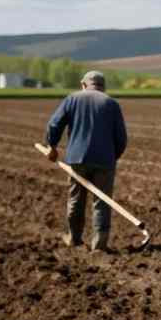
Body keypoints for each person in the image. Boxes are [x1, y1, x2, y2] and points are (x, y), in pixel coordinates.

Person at [44, 69, 128, 252]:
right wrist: (113, 157)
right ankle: (99, 245)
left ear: (83, 85)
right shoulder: (111, 104)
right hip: (105, 161)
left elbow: (55, 124)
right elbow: (121, 138)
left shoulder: (73, 99)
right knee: (101, 201)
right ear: (103, 87)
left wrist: (52, 146)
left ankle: (74, 238)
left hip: (77, 158)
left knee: (76, 199)